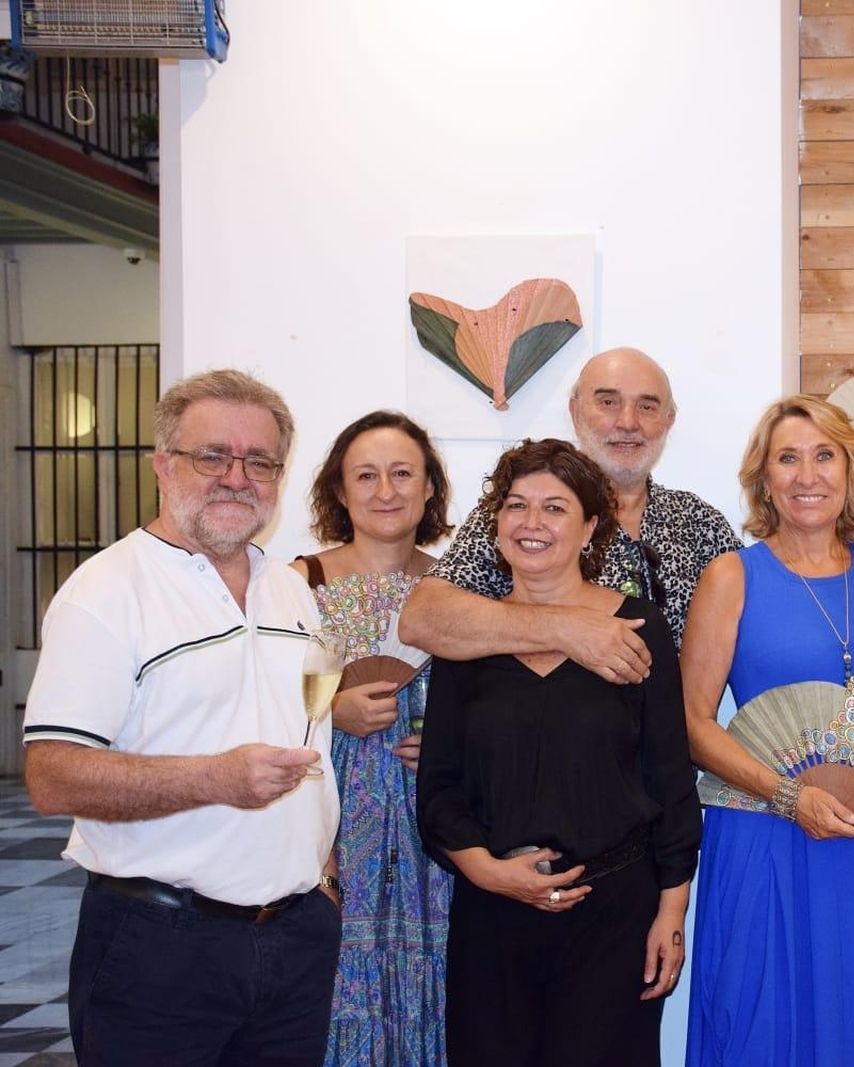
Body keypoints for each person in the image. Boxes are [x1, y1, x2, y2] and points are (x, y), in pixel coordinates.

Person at [22, 369, 341, 1066]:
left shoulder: (290, 588)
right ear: (163, 464)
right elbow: (51, 776)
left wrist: (321, 873)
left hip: (294, 939)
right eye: (212, 455)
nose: (237, 476)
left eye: (260, 461)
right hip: (158, 945)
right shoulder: (105, 592)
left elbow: (308, 740)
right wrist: (215, 779)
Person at [416, 438, 700, 1067]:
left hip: (615, 916)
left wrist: (671, 914)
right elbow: (437, 787)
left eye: (554, 508)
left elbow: (672, 780)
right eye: (516, 506)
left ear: (590, 526)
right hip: (493, 916)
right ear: (495, 524)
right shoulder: (469, 634)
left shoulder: (638, 627)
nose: (531, 523)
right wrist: (483, 869)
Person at [682, 395, 854, 1067]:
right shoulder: (732, 576)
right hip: (766, 830)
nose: (807, 474)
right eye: (787, 458)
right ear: (764, 478)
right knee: (761, 1021)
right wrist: (790, 796)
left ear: (850, 469)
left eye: (825, 455)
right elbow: (694, 724)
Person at [398, 346, 854, 671]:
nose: (628, 422)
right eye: (608, 401)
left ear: (669, 420)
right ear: (575, 412)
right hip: (551, 783)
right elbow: (423, 618)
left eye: (647, 406)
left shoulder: (700, 524)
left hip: (669, 789)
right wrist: (564, 627)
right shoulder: (530, 520)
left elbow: (772, 608)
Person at [291, 411, 455, 1066]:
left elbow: (501, 709)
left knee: (437, 985)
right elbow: (268, 707)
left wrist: (453, 740)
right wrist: (333, 709)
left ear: (428, 488)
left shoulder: (460, 586)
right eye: (366, 474)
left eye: (402, 473)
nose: (385, 489)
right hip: (335, 831)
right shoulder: (299, 582)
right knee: (334, 993)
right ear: (339, 489)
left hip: (435, 835)